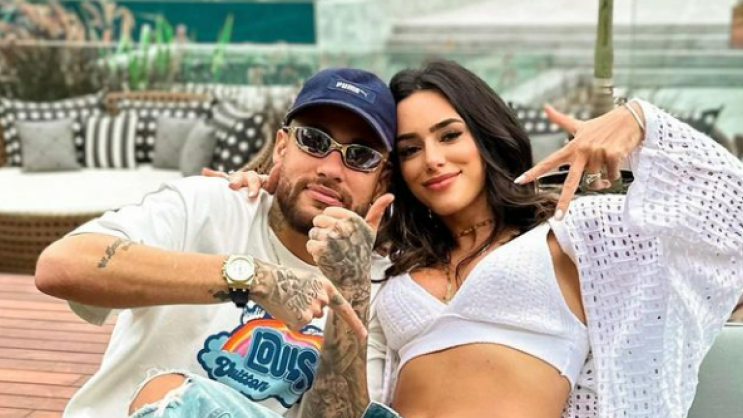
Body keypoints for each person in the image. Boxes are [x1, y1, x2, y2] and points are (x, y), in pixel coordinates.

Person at [233, 60, 743, 418]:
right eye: (410, 149)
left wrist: (639, 122)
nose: (433, 159)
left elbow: (733, 218)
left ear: (485, 134)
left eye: (449, 135)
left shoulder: (574, 233)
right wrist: (258, 185)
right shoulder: (388, 262)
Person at [34, 68, 397, 418]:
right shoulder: (210, 206)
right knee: (171, 395)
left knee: (180, 397)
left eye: (360, 156)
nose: (331, 169)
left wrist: (351, 287)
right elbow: (61, 265)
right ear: (281, 147)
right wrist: (253, 277)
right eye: (313, 141)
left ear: (381, 181)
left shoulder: (378, 286)